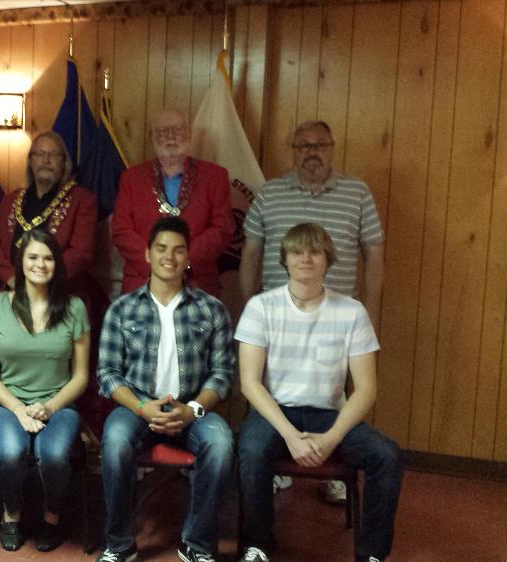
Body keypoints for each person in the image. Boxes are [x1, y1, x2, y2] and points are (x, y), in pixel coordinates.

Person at [235, 223, 401, 562]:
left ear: (329, 259)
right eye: (297, 251)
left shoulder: (351, 312)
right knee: (250, 450)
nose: (306, 259)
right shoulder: (260, 308)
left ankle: (371, 555)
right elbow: (250, 383)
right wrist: (291, 436)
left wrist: (331, 439)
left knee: (387, 455)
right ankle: (257, 546)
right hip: (276, 411)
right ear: (284, 259)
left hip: (330, 415)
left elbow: (366, 389)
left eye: (315, 251)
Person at [239, 120, 385, 503]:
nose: (312, 152)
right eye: (302, 146)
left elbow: (374, 252)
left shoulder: (357, 193)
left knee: (337, 392)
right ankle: (274, 463)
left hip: (335, 314)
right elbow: (251, 252)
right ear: (293, 151)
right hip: (276, 316)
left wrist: (368, 311)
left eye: (319, 144)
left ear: (332, 147)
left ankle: (335, 461)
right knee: (266, 391)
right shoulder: (269, 194)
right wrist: (250, 303)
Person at [95, 216, 235, 562]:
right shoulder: (122, 309)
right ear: (147, 254)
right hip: (138, 406)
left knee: (221, 444)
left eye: (178, 250)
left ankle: (197, 543)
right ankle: (120, 544)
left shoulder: (212, 309)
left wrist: (192, 411)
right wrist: (142, 408)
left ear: (188, 257)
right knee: (114, 442)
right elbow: (108, 374)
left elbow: (222, 375)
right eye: (161, 249)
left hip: (193, 408)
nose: (169, 257)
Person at [0, 229, 90, 552]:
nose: (40, 264)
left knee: (54, 456)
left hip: (59, 404)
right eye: (32, 257)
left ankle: (52, 517)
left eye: (48, 257)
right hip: (6, 403)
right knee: (11, 453)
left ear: (57, 263)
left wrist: (50, 407)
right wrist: (17, 408)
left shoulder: (74, 308)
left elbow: (81, 376)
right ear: (19, 261)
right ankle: (11, 515)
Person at [112, 108, 234, 297]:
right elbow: (121, 230)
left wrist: (182, 259)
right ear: (153, 136)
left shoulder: (215, 177)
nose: (171, 137)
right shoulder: (131, 178)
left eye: (177, 130)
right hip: (141, 282)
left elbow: (222, 228)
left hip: (197, 282)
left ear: (189, 134)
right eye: (163, 131)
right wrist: (157, 264)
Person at [0, 131, 97, 288]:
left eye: (53, 155)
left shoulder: (82, 200)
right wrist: (11, 278)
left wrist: (38, 279)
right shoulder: (11, 199)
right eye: (40, 154)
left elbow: (81, 253)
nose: (46, 160)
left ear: (64, 162)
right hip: (12, 291)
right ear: (30, 161)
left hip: (59, 295)